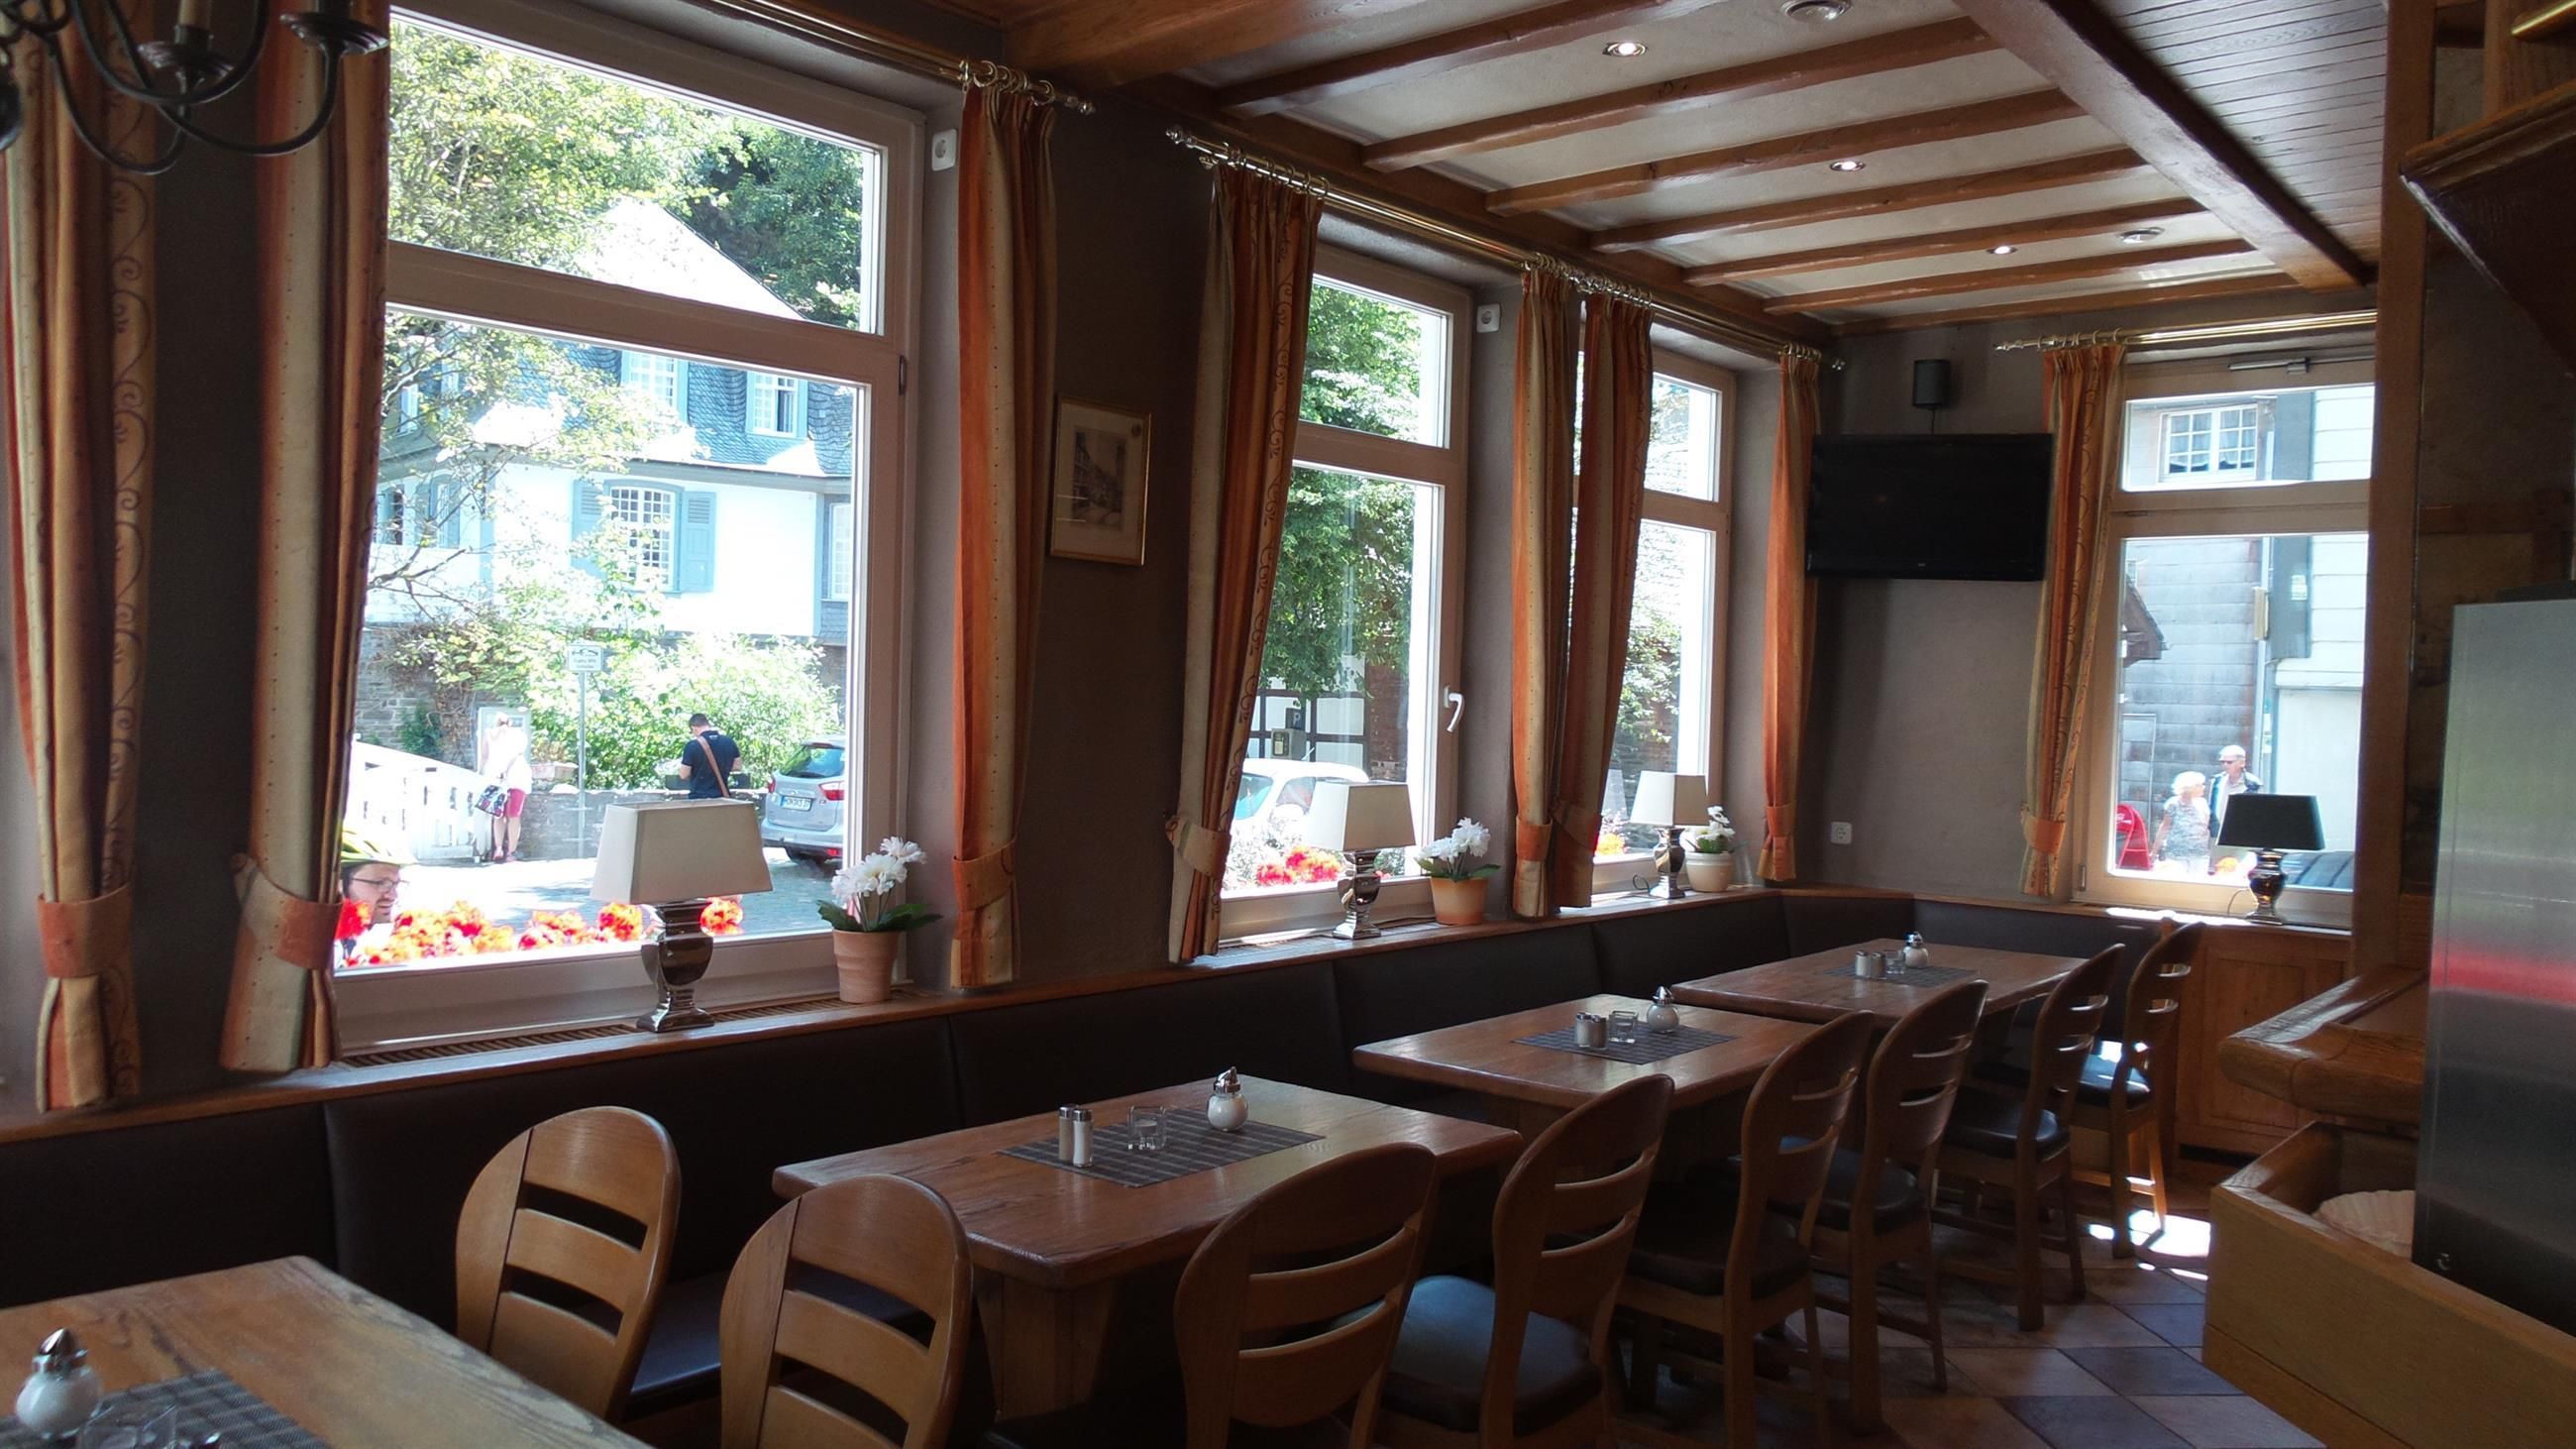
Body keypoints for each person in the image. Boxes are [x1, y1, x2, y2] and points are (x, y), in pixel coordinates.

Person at [336, 828, 410, 967]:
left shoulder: (345, 935)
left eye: (395, 884)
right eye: (381, 883)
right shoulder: (318, 943)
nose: (393, 895)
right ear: (338, 884)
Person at [478, 711, 533, 862]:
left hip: (495, 778)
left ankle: (498, 848)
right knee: (514, 816)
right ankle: (511, 853)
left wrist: (480, 773)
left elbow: (484, 756)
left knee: (498, 815)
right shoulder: (518, 735)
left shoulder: (489, 734)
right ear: (510, 723)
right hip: (517, 777)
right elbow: (518, 754)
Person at [2153, 770, 2213, 876]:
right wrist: (2154, 851)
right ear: (2190, 787)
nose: (2204, 787)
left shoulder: (2203, 803)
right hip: (2176, 854)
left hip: (2199, 855)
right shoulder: (2173, 803)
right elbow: (2165, 827)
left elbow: (2205, 828)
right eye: (2200, 785)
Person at [681, 712, 740, 800]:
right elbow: (737, 767)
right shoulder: (729, 742)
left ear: (694, 728)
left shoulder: (692, 745)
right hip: (722, 796)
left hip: (699, 797)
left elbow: (684, 774)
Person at [2211, 743, 2264, 831]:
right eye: (2222, 762)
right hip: (2217, 832)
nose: (2225, 765)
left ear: (2242, 763)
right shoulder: (2216, 781)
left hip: (2242, 832)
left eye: (2229, 762)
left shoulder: (2254, 785)